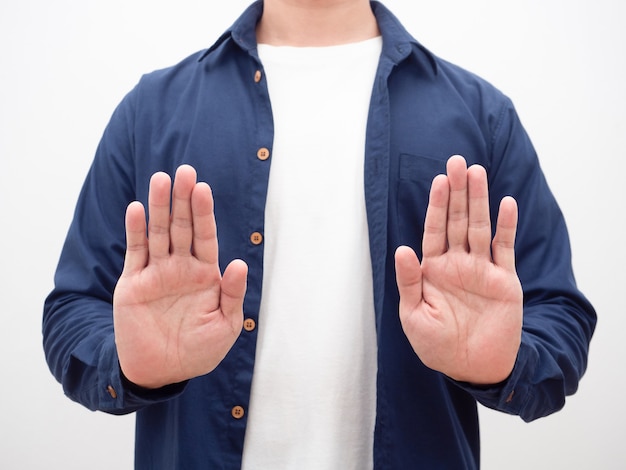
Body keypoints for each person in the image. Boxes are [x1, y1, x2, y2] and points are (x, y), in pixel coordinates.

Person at [42, 0, 596, 468]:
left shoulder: (481, 115)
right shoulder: (151, 111)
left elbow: (559, 318)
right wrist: (132, 366)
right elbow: (73, 308)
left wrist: (500, 364)